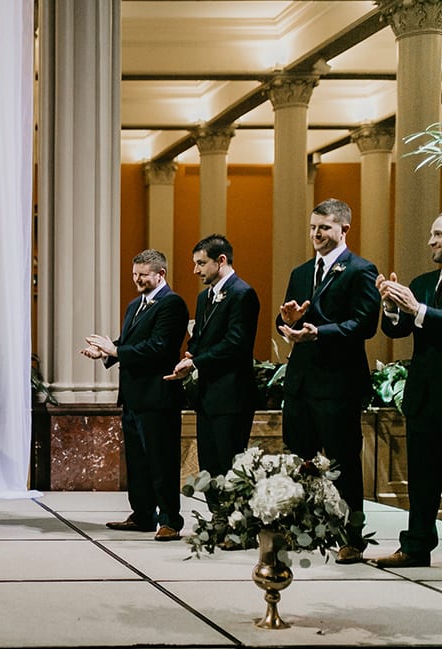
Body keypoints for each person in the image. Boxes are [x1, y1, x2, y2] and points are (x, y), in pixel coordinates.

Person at [276, 198, 379, 564]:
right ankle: (305, 528)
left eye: (324, 228)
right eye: (313, 227)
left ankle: (351, 537)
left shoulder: (361, 270)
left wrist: (319, 331)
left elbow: (364, 324)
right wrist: (286, 320)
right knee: (300, 460)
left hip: (338, 384)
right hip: (302, 382)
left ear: (344, 229)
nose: (316, 234)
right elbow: (285, 319)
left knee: (342, 463)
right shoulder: (301, 272)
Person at [82, 249, 189, 542]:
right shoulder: (134, 306)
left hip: (157, 396)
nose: (137, 280)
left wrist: (116, 350)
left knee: (161, 461)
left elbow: (159, 347)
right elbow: (128, 343)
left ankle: (170, 520)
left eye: (143, 275)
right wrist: (105, 352)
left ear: (160, 274)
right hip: (132, 397)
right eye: (134, 275)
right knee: (138, 463)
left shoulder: (172, 304)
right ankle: (142, 515)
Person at [370, 213, 442, 568]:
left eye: (438, 235)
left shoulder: (423, 295)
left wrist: (419, 309)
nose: (431, 241)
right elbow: (397, 332)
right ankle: (416, 546)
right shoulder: (424, 281)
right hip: (426, 395)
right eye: (431, 234)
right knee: (422, 478)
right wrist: (390, 305)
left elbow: (426, 316)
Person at [165, 234, 260, 477]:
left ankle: (232, 516)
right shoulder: (204, 297)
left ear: (221, 260)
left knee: (230, 466)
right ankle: (216, 515)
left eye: (200, 263)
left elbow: (236, 343)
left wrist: (196, 360)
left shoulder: (243, 293)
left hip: (232, 394)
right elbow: (199, 337)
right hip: (208, 395)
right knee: (209, 466)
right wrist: (191, 352)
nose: (195, 270)